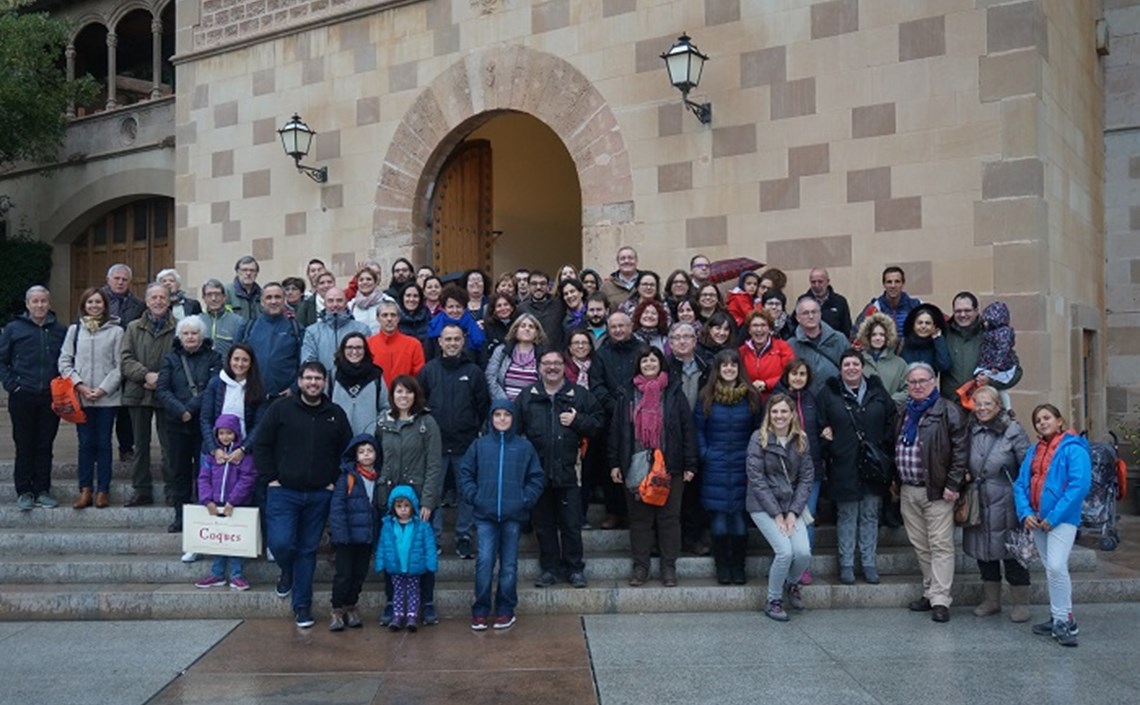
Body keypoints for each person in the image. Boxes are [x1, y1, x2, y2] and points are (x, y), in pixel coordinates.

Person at [254, 361, 353, 629]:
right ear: (299, 381)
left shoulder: (335, 413)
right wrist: (270, 478)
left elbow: (347, 452)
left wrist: (333, 482)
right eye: (308, 378)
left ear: (324, 382)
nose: (313, 383)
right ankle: (287, 571)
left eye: (318, 378)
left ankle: (302, 606)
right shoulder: (281, 409)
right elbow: (261, 444)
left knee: (307, 550)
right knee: (282, 544)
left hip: (319, 494)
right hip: (283, 492)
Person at [607, 347, 697, 587]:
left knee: (669, 518)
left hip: (669, 464)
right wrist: (615, 462)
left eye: (653, 360)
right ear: (638, 365)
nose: (648, 364)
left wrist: (690, 463)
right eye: (644, 360)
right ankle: (641, 567)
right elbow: (617, 430)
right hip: (636, 463)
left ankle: (668, 568)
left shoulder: (674, 392)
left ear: (661, 364)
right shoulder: (626, 393)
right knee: (639, 520)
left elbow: (687, 429)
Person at [515, 348, 604, 588]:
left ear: (564, 367)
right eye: (547, 363)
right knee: (543, 525)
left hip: (569, 472)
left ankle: (574, 568)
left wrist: (577, 421)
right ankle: (550, 569)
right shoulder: (527, 396)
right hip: (537, 473)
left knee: (571, 524)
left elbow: (598, 424)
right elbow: (513, 431)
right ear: (539, 367)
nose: (552, 367)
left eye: (556, 363)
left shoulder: (579, 395)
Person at [459, 399, 545, 630]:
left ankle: (505, 609)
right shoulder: (480, 445)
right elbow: (465, 473)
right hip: (485, 515)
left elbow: (536, 477)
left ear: (514, 419)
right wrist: (474, 496)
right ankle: (480, 610)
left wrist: (524, 500)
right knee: (485, 562)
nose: (502, 419)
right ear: (491, 418)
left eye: (507, 415)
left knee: (509, 566)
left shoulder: (524, 447)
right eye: (497, 415)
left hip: (513, 515)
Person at [895, 361, 968, 623]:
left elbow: (960, 451)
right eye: (912, 382)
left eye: (922, 381)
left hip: (937, 490)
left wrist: (953, 484)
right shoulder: (905, 411)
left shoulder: (948, 410)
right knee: (921, 545)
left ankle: (940, 599)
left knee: (940, 545)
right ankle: (930, 590)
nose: (917, 386)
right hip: (909, 489)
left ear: (933, 382)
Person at [1013, 404, 1091, 647]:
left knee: (1056, 566)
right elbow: (1020, 483)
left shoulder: (1073, 448)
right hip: (1037, 519)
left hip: (1062, 520)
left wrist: (1054, 517)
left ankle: (1063, 621)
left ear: (1059, 420)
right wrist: (1025, 512)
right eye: (1037, 420)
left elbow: (1078, 486)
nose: (1042, 423)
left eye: (1047, 418)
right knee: (1052, 568)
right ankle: (1061, 616)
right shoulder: (1034, 449)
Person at [816, 350, 896, 585]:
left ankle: (869, 563)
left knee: (871, 514)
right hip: (843, 462)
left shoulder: (877, 392)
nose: (851, 368)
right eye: (846, 364)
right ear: (840, 369)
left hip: (873, 464)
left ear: (863, 367)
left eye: (855, 364)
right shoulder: (829, 393)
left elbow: (891, 420)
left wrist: (884, 448)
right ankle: (847, 564)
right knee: (847, 515)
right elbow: (820, 423)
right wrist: (826, 441)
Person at [418, 323, 490, 558]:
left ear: (463, 341)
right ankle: (433, 538)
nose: (452, 343)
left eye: (456, 339)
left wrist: (475, 429)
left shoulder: (474, 372)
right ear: (440, 342)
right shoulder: (428, 371)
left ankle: (464, 537)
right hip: (434, 444)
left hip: (465, 443)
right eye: (447, 339)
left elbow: (483, 406)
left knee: (467, 493)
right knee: (433, 493)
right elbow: (420, 404)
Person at [375, 375, 443, 626]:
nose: (403, 396)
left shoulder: (427, 423)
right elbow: (377, 457)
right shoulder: (383, 422)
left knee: (420, 552)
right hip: (391, 499)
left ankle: (426, 603)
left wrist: (427, 500)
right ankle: (392, 603)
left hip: (417, 499)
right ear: (392, 396)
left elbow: (434, 464)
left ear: (416, 395)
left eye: (408, 392)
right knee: (392, 551)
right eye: (399, 392)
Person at [964, 386, 1032, 621]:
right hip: (979, 498)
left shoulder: (1013, 430)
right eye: (978, 403)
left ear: (998, 406)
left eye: (987, 404)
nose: (982, 408)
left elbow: (1027, 467)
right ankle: (991, 600)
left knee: (1013, 553)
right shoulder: (969, 428)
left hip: (1007, 501)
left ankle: (1020, 603)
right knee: (984, 553)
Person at [695, 349, 762, 585]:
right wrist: (705, 454)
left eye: (733, 365)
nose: (729, 369)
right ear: (718, 369)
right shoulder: (706, 396)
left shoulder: (751, 396)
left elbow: (759, 429)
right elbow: (698, 430)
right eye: (724, 365)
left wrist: (753, 457)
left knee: (741, 524)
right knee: (721, 522)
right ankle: (723, 567)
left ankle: (739, 567)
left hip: (744, 465)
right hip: (716, 465)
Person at [747, 393, 814, 622]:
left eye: (784, 411)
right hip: (763, 506)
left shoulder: (801, 439)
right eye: (774, 411)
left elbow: (806, 479)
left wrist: (793, 513)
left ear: (792, 414)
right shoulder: (759, 438)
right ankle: (773, 600)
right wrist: (777, 514)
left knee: (803, 553)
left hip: (791, 506)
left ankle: (792, 583)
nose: (779, 416)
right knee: (785, 552)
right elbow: (756, 479)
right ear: (769, 415)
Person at [1, 286, 67, 510]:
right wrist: (12, 385)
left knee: (45, 444)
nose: (39, 305)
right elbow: (2, 360)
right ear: (27, 304)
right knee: (24, 443)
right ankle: (24, 491)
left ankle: (42, 490)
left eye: (43, 301)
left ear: (49, 303)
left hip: (50, 397)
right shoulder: (13, 329)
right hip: (22, 396)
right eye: (35, 301)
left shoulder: (60, 330)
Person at [57, 287, 123, 509]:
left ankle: (103, 490)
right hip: (81, 398)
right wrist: (81, 386)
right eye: (90, 302)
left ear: (105, 305)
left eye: (98, 302)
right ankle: (85, 489)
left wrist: (103, 389)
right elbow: (65, 362)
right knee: (85, 443)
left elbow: (119, 366)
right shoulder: (75, 331)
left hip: (107, 398)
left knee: (104, 443)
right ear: (84, 305)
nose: (94, 306)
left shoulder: (116, 331)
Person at [156, 316, 222, 535]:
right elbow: (162, 389)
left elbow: (214, 387)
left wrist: (190, 408)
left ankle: (204, 514)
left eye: (194, 333)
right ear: (179, 336)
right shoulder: (170, 359)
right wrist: (180, 410)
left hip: (203, 424)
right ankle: (180, 516)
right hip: (176, 424)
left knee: (204, 471)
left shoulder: (214, 357)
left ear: (202, 336)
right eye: (186, 333)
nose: (190, 337)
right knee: (178, 471)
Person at [120, 283, 177, 507]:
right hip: (138, 392)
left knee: (169, 444)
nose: (158, 301)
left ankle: (173, 488)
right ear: (147, 301)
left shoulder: (178, 327)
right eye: (153, 297)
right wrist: (145, 375)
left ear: (169, 301)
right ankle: (141, 489)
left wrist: (161, 379)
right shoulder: (133, 327)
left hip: (167, 394)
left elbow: (181, 359)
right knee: (140, 445)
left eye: (162, 297)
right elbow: (125, 358)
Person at [769, 358, 824, 583]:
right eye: (794, 374)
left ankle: (802, 565)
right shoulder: (777, 400)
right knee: (784, 518)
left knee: (805, 516)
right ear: (787, 376)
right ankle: (785, 560)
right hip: (782, 471)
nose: (798, 378)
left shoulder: (813, 399)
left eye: (802, 374)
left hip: (811, 469)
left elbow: (822, 426)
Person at [588, 312, 641, 530]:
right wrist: (615, 407)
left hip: (638, 416)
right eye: (614, 327)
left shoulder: (641, 351)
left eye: (622, 326)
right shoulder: (601, 354)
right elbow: (596, 384)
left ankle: (633, 512)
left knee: (635, 464)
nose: (618, 330)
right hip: (610, 417)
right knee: (610, 466)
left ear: (631, 327)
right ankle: (614, 512)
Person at [193, 414, 257, 591]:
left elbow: (247, 479)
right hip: (215, 504)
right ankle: (217, 573)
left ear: (236, 434)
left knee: (236, 541)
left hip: (236, 506)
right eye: (221, 433)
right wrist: (207, 500)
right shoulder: (211, 456)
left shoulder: (244, 457)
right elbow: (203, 478)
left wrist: (233, 501)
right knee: (218, 540)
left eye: (229, 433)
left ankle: (237, 574)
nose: (225, 437)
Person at [327, 434, 383, 631]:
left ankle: (351, 605)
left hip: (366, 536)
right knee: (344, 574)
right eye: (362, 452)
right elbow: (338, 506)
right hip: (347, 536)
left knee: (359, 574)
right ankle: (337, 609)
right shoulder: (348, 477)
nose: (366, 455)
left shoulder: (380, 476)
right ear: (355, 455)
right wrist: (340, 534)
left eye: (370, 451)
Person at [374, 485, 438, 632]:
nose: (403, 509)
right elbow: (383, 545)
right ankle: (397, 616)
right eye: (399, 506)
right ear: (393, 507)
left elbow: (429, 546)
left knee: (414, 591)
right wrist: (380, 562)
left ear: (413, 506)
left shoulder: (421, 525)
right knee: (397, 591)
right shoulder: (388, 525)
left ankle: (412, 616)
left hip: (414, 566)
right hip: (396, 566)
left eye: (406, 506)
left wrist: (431, 563)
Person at [199, 343, 266, 464]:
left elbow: (259, 424)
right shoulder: (215, 383)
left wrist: (243, 449)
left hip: (244, 452)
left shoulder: (258, 388)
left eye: (245, 360)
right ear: (229, 360)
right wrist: (215, 449)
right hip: (215, 451)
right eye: (236, 359)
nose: (240, 364)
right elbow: (205, 419)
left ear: (251, 363)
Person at [243, 283, 303, 399]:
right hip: (254, 397)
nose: (273, 301)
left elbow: (303, 363)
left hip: (285, 398)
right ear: (262, 302)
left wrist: (294, 388)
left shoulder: (295, 328)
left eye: (277, 297)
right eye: (269, 297)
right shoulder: (249, 327)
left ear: (284, 300)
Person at [329, 332, 389, 435]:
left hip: (367, 443)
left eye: (359, 348)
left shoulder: (376, 376)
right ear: (343, 350)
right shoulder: (333, 375)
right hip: (338, 439)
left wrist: (375, 429)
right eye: (349, 347)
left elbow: (385, 407)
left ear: (365, 350)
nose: (354, 351)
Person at [301, 287, 371, 374]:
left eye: (339, 300)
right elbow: (309, 363)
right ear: (325, 304)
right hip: (323, 384)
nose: (335, 304)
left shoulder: (362, 329)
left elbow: (367, 359)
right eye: (330, 301)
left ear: (346, 303)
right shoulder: (312, 332)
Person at [790, 295, 846, 396]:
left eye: (814, 312)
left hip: (836, 398)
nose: (811, 316)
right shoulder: (791, 345)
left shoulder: (839, 339)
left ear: (820, 314)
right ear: (797, 318)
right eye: (805, 313)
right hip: (804, 400)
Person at [485, 314, 546, 401]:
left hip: (531, 407)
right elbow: (490, 376)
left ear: (537, 333)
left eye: (531, 327)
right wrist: (504, 402)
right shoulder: (502, 351)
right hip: (505, 408)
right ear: (515, 330)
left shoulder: (543, 355)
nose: (527, 329)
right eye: (523, 326)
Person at [738, 309, 794, 403]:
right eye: (755, 325)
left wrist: (766, 384)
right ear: (749, 330)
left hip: (778, 400)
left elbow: (791, 373)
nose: (759, 329)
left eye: (763, 325)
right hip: (749, 401)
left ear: (769, 328)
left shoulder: (783, 347)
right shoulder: (741, 351)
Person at [368, 300, 426, 388]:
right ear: (378, 318)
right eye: (384, 315)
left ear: (398, 318)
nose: (389, 319)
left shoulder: (414, 345)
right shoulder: (369, 344)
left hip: (404, 396)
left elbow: (419, 376)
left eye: (393, 315)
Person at [854, 266, 922, 338]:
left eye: (897, 282)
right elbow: (856, 333)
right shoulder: (874, 308)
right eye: (889, 282)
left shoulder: (916, 306)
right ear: (884, 284)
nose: (893, 286)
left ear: (903, 284)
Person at [855, 313, 908, 405]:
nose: (878, 338)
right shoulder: (857, 361)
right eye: (874, 335)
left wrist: (890, 401)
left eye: (882, 335)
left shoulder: (900, 363)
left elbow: (908, 389)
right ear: (868, 336)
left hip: (891, 414)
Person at [425, 285, 485, 360]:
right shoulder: (434, 327)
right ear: (444, 309)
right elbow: (428, 356)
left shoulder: (475, 328)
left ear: (464, 308)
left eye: (458, 306)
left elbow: (482, 358)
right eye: (450, 307)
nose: (455, 310)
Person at [198, 279, 246, 359]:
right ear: (204, 298)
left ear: (224, 297)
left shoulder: (237, 322)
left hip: (227, 369)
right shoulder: (197, 321)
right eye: (209, 295)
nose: (214, 298)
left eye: (217, 294)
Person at [519, 270, 566, 350]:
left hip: (555, 356)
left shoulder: (560, 305)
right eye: (534, 284)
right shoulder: (521, 308)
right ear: (529, 286)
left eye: (542, 283)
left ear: (548, 286)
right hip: (531, 357)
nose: (538, 287)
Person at [900, 303, 952, 375]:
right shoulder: (903, 344)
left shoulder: (936, 345)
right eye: (920, 323)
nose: (923, 326)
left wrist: (938, 340)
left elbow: (944, 366)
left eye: (928, 323)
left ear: (934, 326)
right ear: (913, 325)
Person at [801, 268, 851, 339]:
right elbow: (796, 325)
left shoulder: (840, 301)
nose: (817, 285)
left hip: (834, 344)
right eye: (813, 282)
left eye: (820, 282)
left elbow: (846, 328)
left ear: (827, 282)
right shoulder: (803, 301)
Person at [482, 291, 518, 364]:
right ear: (494, 310)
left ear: (512, 307)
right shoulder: (487, 327)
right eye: (499, 306)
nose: (503, 308)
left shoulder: (519, 325)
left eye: (506, 304)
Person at [349, 265, 386, 335]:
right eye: (361, 280)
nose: (365, 282)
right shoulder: (351, 305)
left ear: (375, 282)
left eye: (369, 279)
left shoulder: (387, 301)